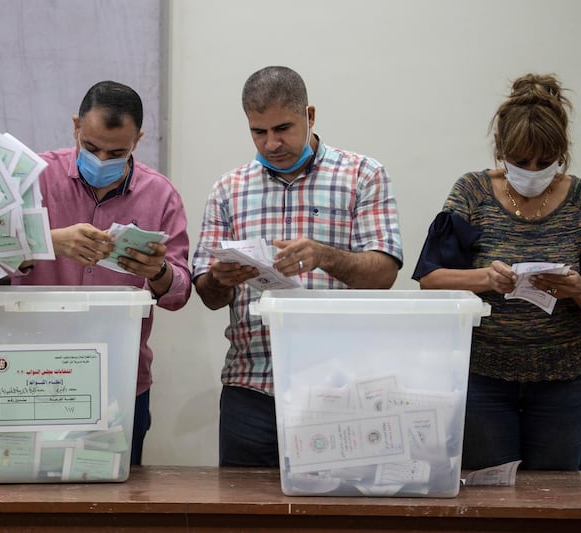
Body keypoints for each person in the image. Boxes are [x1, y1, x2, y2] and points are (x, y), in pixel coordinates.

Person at [192, 66, 404, 467]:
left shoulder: (362, 176)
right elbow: (208, 296)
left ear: (310, 116)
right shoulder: (228, 189)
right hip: (250, 386)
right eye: (258, 132)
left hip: (341, 387)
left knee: (333, 515)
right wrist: (220, 279)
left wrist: (326, 256)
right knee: (244, 516)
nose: (271, 144)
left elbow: (384, 275)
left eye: (283, 128)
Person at [12, 80, 192, 465]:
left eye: (117, 152)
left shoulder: (160, 196)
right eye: (90, 148)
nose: (100, 159)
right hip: (33, 373)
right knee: (32, 500)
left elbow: (179, 293)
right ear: (75, 126)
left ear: (138, 140)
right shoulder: (34, 178)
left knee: (116, 505)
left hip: (120, 380)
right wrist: (51, 241)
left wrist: (157, 271)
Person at [413, 73, 581, 471]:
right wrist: (485, 278)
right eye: (521, 162)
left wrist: (575, 287)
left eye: (545, 163)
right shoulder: (472, 192)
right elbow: (430, 279)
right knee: (491, 496)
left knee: (556, 499)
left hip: (564, 381)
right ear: (501, 151)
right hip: (482, 378)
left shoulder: (577, 200)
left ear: (562, 154)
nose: (533, 171)